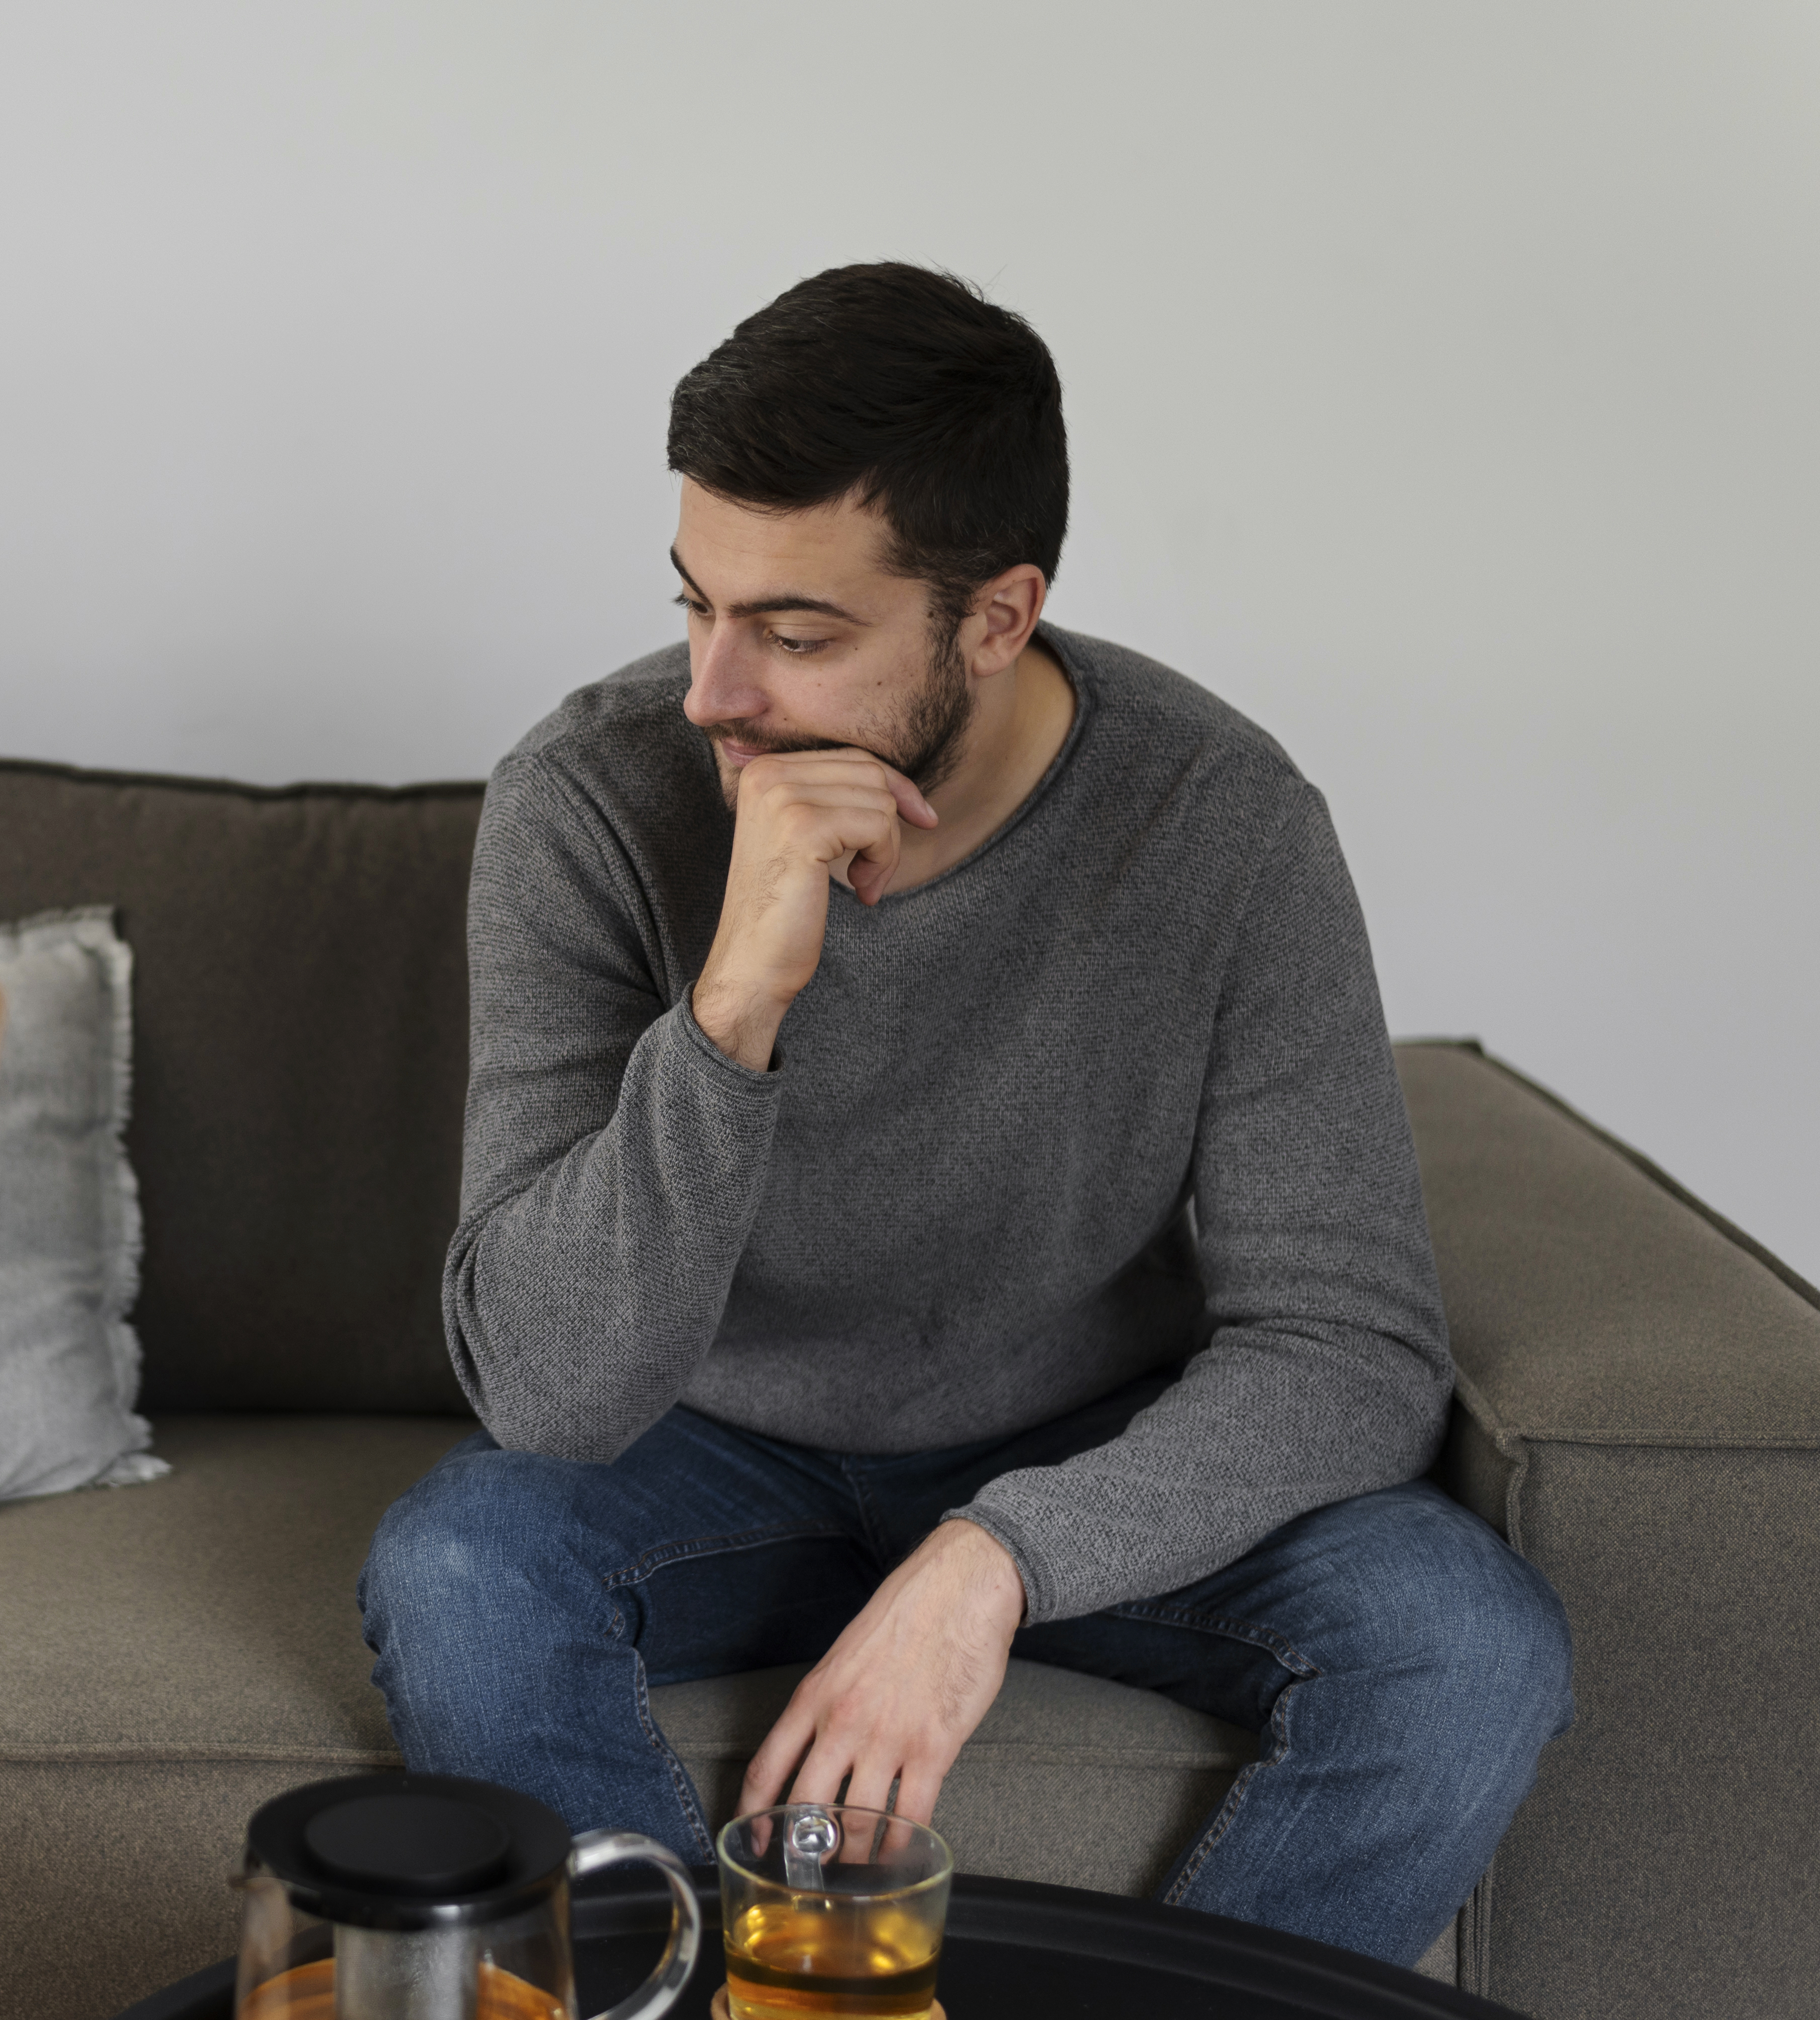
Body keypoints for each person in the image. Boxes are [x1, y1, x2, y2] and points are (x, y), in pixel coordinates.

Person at [356, 263, 1575, 1968]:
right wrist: (732, 1013)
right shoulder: (588, 798)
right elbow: (552, 1395)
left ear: (996, 619)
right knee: (461, 1569)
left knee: (1468, 1640)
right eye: (698, 604)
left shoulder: (1222, 824)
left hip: (1078, 1435)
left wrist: (995, 1558)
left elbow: (1353, 1343)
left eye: (797, 635)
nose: (714, 689)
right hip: (701, 1452)